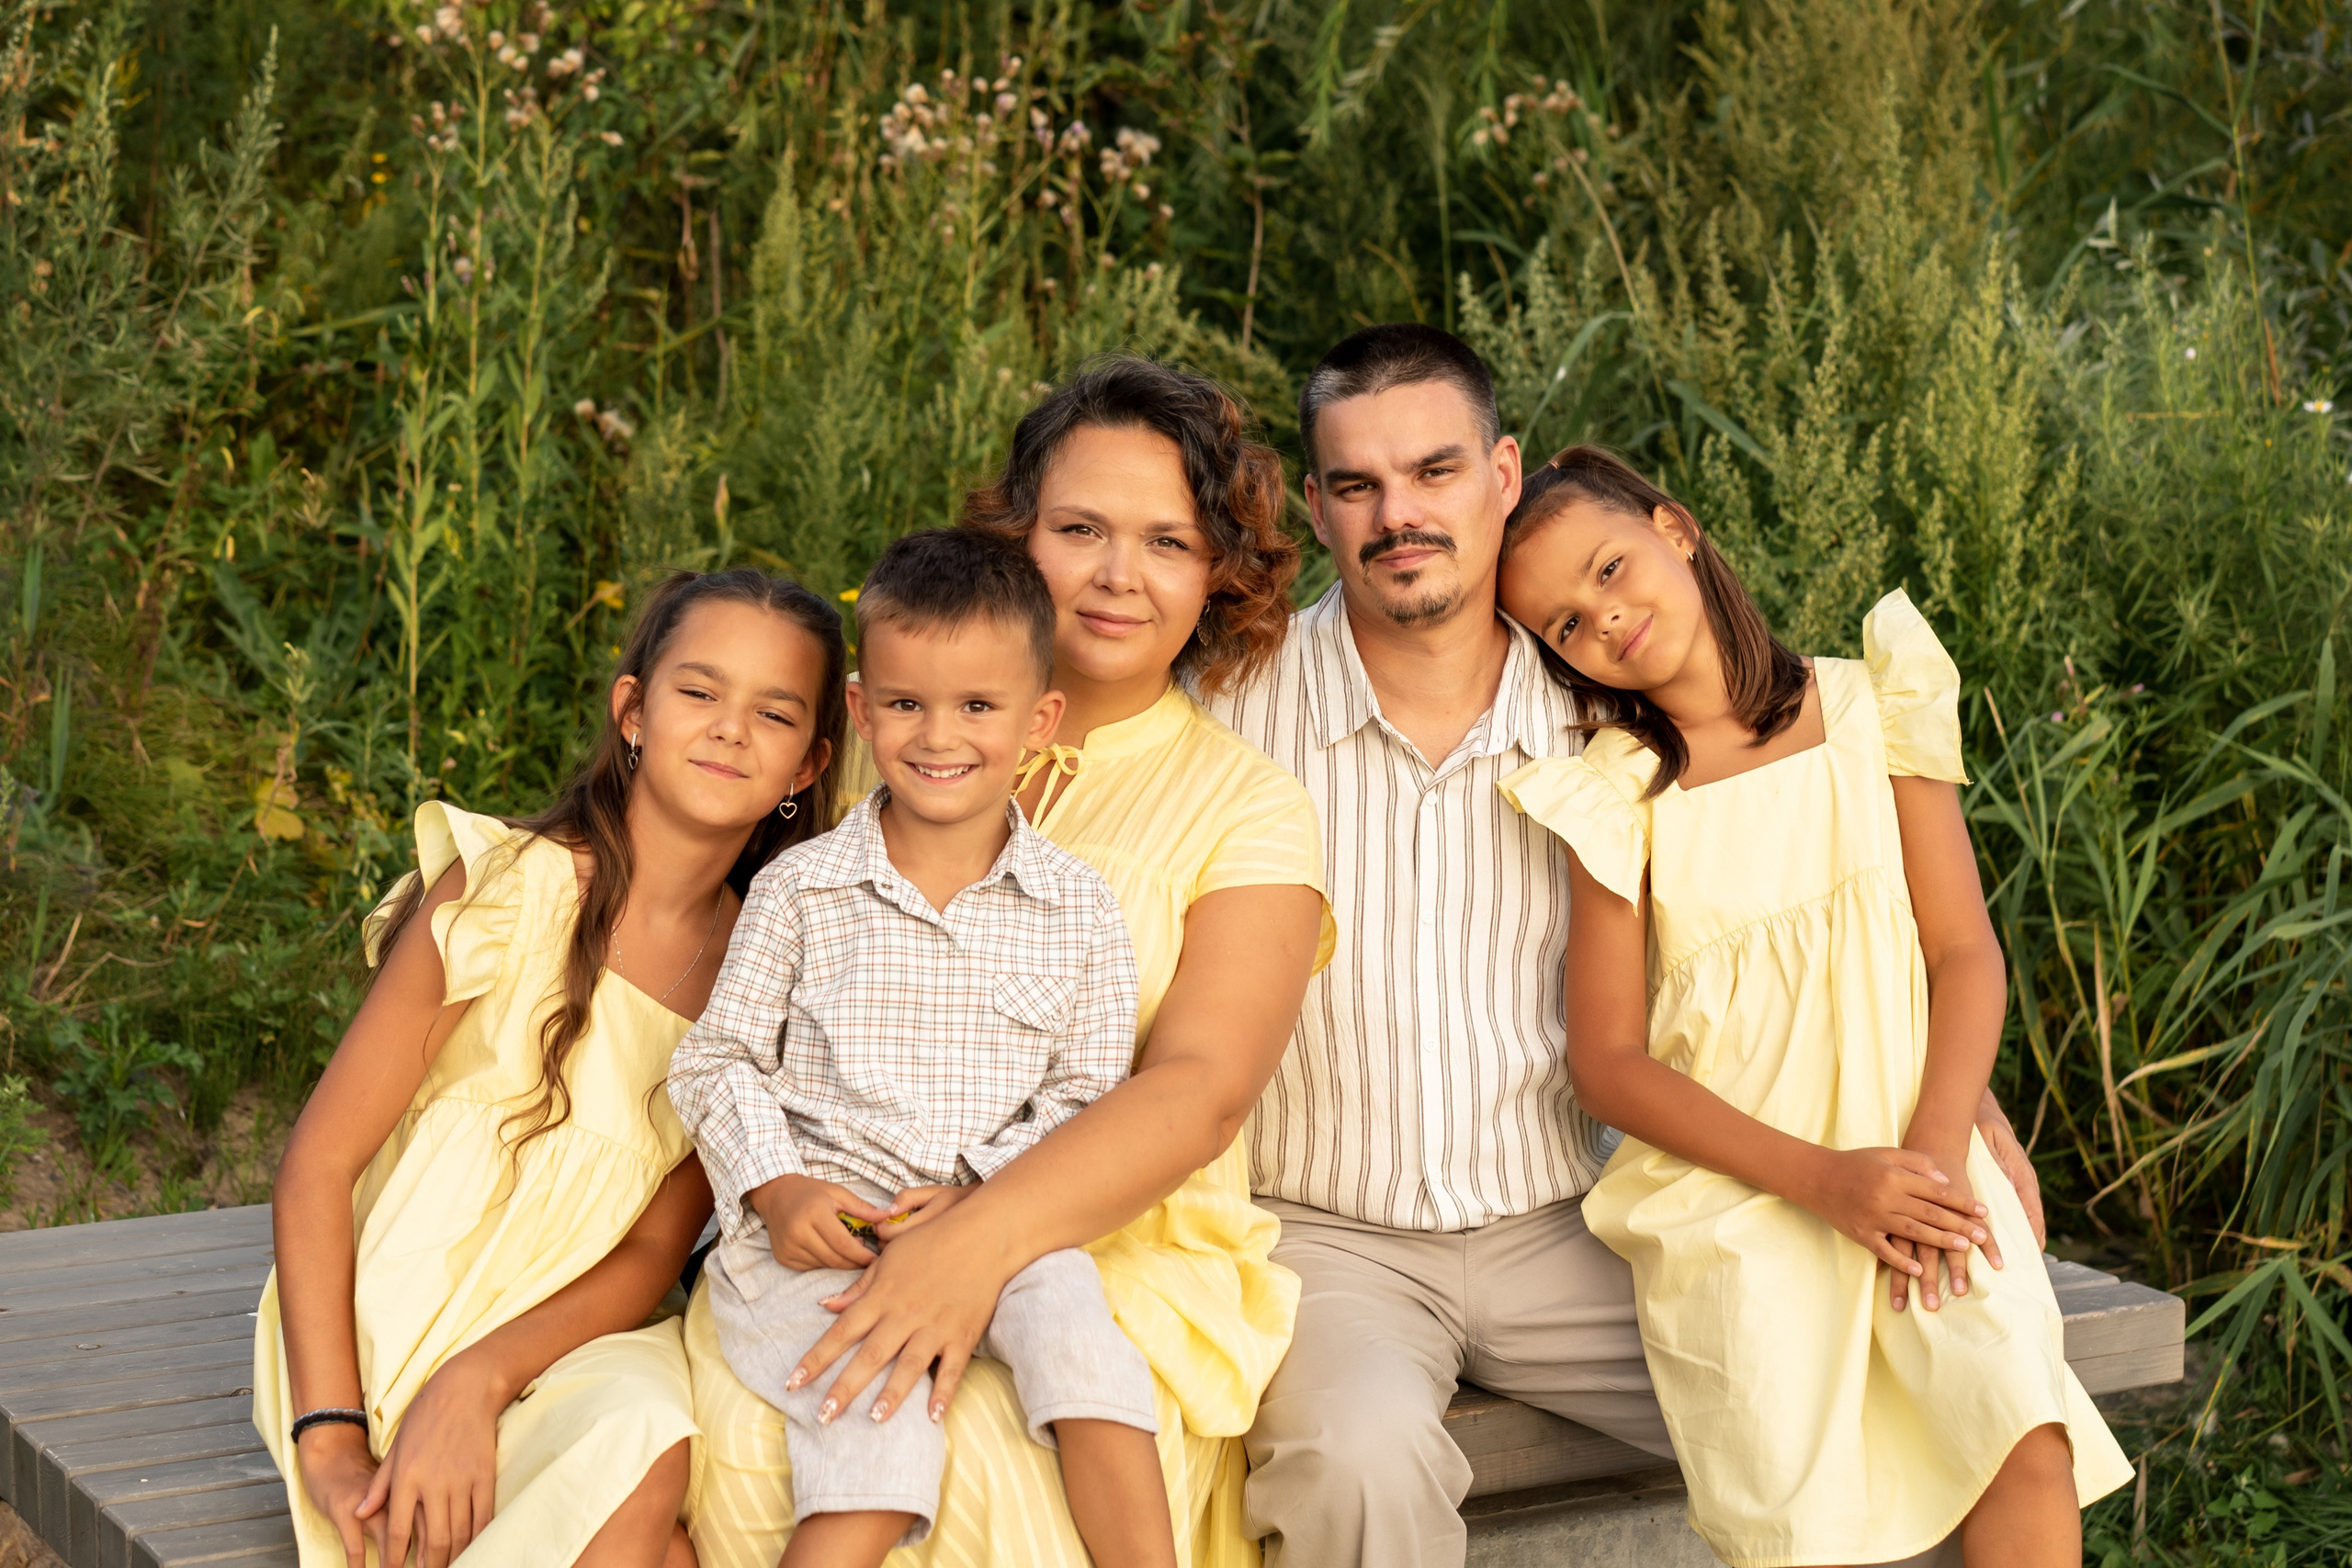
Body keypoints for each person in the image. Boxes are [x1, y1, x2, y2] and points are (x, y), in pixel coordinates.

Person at [1207, 323, 2053, 1568]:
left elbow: (1814, 879)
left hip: (1572, 1216)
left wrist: (1960, 1100)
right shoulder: (1229, 704)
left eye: (1434, 471)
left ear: (1501, 477)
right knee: (1355, 1455)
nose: (1400, 513)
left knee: (1864, 1367)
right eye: (1357, 484)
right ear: (1321, 505)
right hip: (1328, 1233)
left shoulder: (1613, 706)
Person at [682, 357, 1332, 1568]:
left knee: (991, 1455)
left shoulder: (1249, 806)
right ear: (1017, 535)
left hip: (1110, 1236)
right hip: (844, 1202)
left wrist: (975, 1237)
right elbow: (724, 922)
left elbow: (1199, 1089)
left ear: (1218, 573)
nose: (1116, 574)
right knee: (757, 1417)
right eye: (1079, 527)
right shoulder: (912, 733)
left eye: (1167, 541)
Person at [1491, 446, 2132, 1566]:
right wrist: (1825, 1182)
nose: (1601, 619)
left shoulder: (1871, 706)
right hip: (1744, 1196)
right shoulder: (1617, 793)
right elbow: (1607, 1063)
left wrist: (1935, 1157)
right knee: (1808, 1522)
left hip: (1914, 1146)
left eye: (1608, 569)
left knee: (2021, 1440)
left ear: (1675, 529)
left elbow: (1962, 953)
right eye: (1561, 626)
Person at [257, 569, 847, 1568]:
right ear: (633, 710)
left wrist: (485, 1379)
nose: (729, 730)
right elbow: (317, 1164)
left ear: (806, 764)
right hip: (399, 1315)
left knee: (649, 1441)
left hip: (573, 1340)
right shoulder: (507, 891)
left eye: (774, 712)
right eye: (698, 692)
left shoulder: (768, 983)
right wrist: (330, 1434)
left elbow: (653, 1255)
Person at [668, 530, 1170, 1568]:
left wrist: (988, 1197)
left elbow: (1088, 1094)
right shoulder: (801, 890)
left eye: (978, 707)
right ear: (860, 708)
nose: (939, 735)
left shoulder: (1079, 909)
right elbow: (714, 1062)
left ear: (1039, 720)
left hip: (997, 1225)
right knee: (876, 1409)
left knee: (1083, 1336)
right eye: (905, 704)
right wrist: (778, 1189)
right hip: (823, 1243)